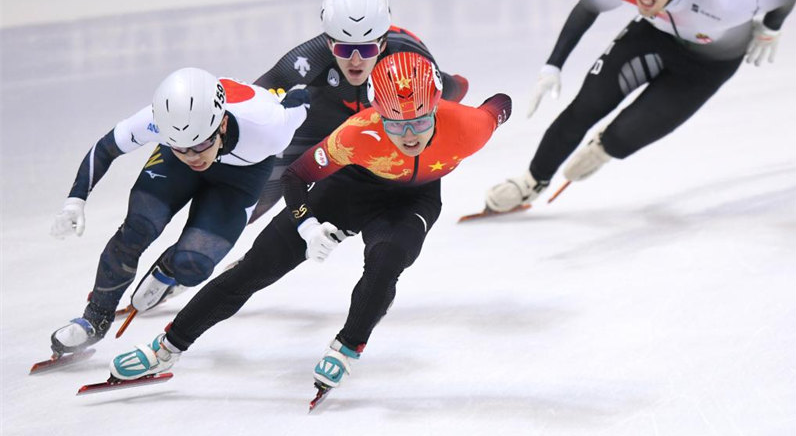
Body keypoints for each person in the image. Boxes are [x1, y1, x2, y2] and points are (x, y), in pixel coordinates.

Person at [108, 52, 511, 394]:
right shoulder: (357, 133)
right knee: (254, 269)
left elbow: (499, 103)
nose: (409, 135)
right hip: (348, 190)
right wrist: (307, 225)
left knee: (387, 261)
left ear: (437, 109)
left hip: (411, 201)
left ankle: (348, 346)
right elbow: (296, 177)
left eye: (420, 121)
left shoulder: (469, 127)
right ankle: (167, 347)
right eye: (395, 123)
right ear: (377, 113)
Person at [485, 0, 796, 212]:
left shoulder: (725, 0)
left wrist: (771, 28)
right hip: (653, 37)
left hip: (707, 66)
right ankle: (531, 182)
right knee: (586, 106)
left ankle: (604, 145)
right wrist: (553, 65)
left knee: (621, 139)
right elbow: (587, 7)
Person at [48, 67, 309, 356]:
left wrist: (297, 93)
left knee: (193, 265)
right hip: (174, 170)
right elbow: (106, 148)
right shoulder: (158, 121)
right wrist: (75, 201)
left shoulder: (268, 127)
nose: (192, 157)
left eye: (200, 145)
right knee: (139, 226)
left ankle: (169, 267)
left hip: (241, 177)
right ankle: (94, 318)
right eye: (180, 147)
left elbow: (301, 100)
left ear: (222, 124)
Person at [249, 0, 469, 222]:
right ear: (330, 43)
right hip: (324, 113)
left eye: (366, 50)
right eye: (344, 50)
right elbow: (264, 88)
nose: (355, 61)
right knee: (258, 193)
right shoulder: (313, 55)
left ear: (383, 44)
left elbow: (448, 91)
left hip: (381, 123)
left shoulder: (408, 57)